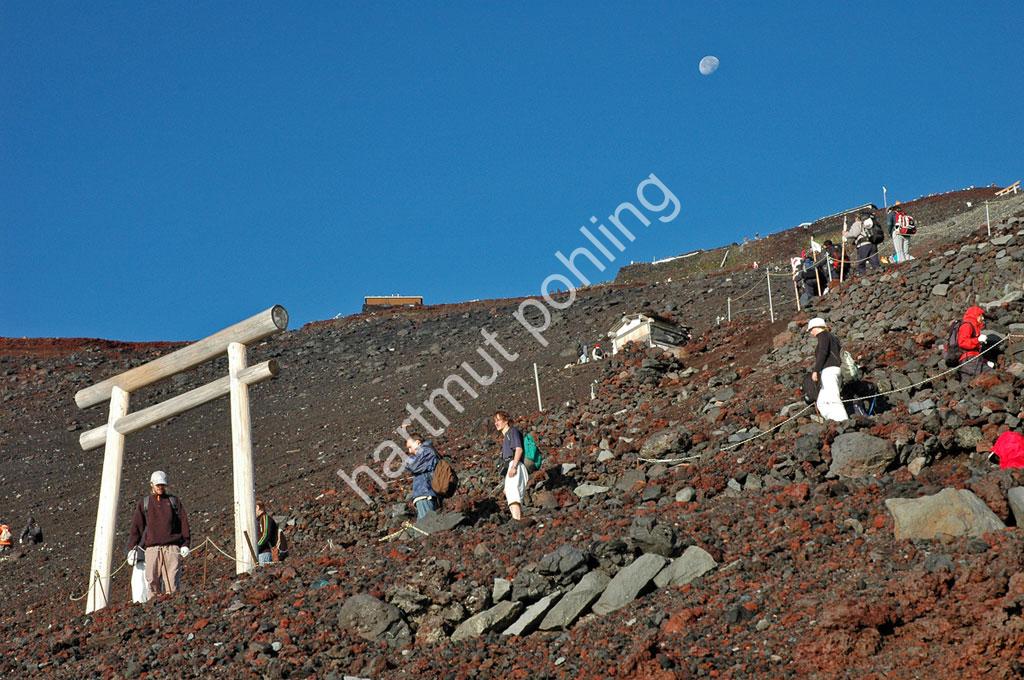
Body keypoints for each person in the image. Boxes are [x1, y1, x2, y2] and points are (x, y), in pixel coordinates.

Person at [126, 470, 191, 596]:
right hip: (152, 549)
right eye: (158, 485)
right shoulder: (145, 503)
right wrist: (132, 548)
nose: (160, 487)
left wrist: (185, 544)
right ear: (152, 485)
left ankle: (173, 609)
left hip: (172, 548)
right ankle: (153, 610)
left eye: (162, 485)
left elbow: (183, 523)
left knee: (172, 583)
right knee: (151, 582)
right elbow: (137, 527)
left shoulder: (174, 501)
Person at [807, 318, 848, 422]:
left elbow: (823, 352)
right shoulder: (833, 337)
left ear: (816, 327)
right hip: (836, 370)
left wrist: (816, 370)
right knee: (821, 401)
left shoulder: (823, 335)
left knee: (832, 398)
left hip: (829, 371)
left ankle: (843, 422)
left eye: (811, 329)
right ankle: (832, 421)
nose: (811, 332)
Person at [494, 410, 528, 522]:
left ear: (506, 420)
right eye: (495, 421)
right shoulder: (506, 437)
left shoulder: (513, 432)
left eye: (498, 420)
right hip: (511, 465)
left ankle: (517, 520)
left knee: (514, 495)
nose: (496, 423)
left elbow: (519, 449)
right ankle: (517, 519)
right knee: (511, 494)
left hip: (515, 464)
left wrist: (514, 466)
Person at [404, 433, 440, 520]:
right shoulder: (425, 452)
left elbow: (414, 466)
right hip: (425, 494)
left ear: (417, 442)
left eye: (410, 447)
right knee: (423, 527)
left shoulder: (426, 451)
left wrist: (407, 462)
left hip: (425, 493)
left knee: (427, 525)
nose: (410, 451)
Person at [956, 306, 996, 376]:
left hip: (969, 360)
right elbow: (962, 342)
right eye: (980, 316)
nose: (983, 318)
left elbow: (975, 351)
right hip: (969, 360)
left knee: (967, 384)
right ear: (975, 316)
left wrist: (985, 362)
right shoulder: (967, 325)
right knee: (992, 375)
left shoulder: (973, 327)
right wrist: (978, 340)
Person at [255, 500, 279, 565]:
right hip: (260, 553)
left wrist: (256, 548)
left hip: (264, 553)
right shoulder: (260, 520)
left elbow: (265, 535)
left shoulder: (264, 518)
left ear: (257, 507)